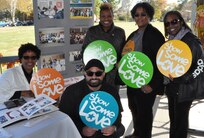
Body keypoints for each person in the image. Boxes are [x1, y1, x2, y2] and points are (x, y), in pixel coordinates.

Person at [124, 2, 165, 138]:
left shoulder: (156, 35)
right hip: (132, 81)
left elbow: (161, 62)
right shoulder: (133, 34)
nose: (140, 17)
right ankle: (137, 133)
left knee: (144, 114)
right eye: (136, 15)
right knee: (134, 109)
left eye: (143, 14)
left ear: (149, 16)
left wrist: (153, 85)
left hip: (147, 82)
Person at [163, 11, 204, 138]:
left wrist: (184, 78)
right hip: (172, 87)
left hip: (184, 89)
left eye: (174, 21)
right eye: (167, 23)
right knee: (174, 120)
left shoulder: (190, 40)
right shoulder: (171, 41)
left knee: (180, 123)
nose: (171, 25)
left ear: (181, 21)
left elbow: (201, 65)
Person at [59, 59, 125, 138]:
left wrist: (114, 127)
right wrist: (82, 129)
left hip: (104, 132)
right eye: (90, 73)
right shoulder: (71, 91)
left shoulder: (111, 91)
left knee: (120, 129)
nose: (94, 77)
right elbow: (64, 118)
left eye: (98, 73)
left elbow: (117, 115)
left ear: (103, 74)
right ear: (85, 73)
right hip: (81, 133)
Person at [81, 3, 126, 92]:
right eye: (103, 16)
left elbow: (123, 52)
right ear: (99, 17)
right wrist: (89, 70)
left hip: (113, 75)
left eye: (109, 16)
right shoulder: (92, 31)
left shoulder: (120, 32)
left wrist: (120, 63)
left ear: (113, 16)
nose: (106, 19)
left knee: (112, 99)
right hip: (95, 74)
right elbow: (84, 51)